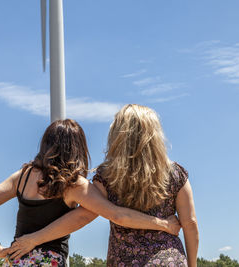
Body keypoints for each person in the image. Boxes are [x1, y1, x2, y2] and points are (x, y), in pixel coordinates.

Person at [0, 118, 181, 267]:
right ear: (78, 148)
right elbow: (117, 215)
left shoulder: (22, 176)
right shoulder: (74, 185)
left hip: (16, 261)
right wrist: (163, 224)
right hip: (48, 261)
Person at [10, 105, 199, 267]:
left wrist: (35, 238)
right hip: (170, 260)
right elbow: (190, 224)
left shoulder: (107, 176)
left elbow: (84, 214)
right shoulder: (176, 174)